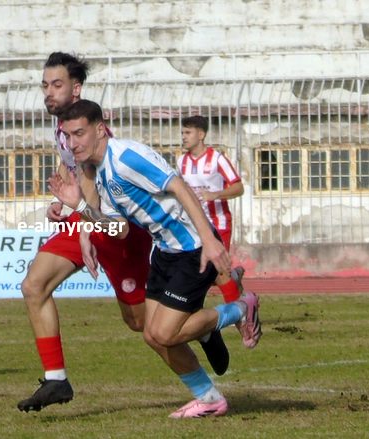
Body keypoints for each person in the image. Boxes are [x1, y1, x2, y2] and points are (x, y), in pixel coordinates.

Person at [48, 99, 262, 418]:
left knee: (165, 332)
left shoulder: (125, 158)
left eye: (79, 133)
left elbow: (180, 187)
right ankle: (208, 397)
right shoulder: (98, 172)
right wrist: (79, 211)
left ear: (100, 129)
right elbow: (118, 229)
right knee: (151, 334)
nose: (73, 142)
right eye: (68, 135)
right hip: (164, 251)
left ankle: (242, 308)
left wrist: (208, 240)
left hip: (192, 248)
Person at [16, 52, 153, 412]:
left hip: (112, 225)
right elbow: (69, 168)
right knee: (34, 286)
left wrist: (84, 228)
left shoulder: (89, 126)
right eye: (44, 85)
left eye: (56, 84)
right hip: (82, 219)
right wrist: (60, 203)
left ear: (76, 88)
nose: (48, 91)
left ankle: (203, 327)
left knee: (140, 322)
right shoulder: (63, 126)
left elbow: (93, 178)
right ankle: (56, 379)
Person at [179, 115, 247, 376]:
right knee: (205, 275)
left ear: (201, 135)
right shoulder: (181, 162)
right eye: (182, 132)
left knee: (217, 272)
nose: (183, 137)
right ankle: (234, 289)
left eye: (187, 132)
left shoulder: (217, 159)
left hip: (218, 224)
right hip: (193, 226)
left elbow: (239, 187)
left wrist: (215, 194)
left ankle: (240, 319)